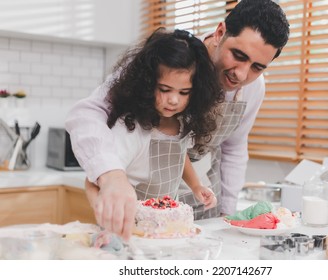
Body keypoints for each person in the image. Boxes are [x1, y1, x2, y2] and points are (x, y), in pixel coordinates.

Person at [65, 0, 290, 239]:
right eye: (238, 55)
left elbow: (233, 147)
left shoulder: (254, 89)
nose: (242, 74)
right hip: (144, 216)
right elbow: (87, 113)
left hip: (204, 208)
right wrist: (111, 176)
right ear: (220, 32)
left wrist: (228, 215)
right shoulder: (166, 60)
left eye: (257, 67)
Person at [68, 28, 222, 239]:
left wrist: (196, 185)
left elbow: (179, 154)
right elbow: (94, 179)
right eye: (165, 89)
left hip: (165, 231)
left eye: (183, 92)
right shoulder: (132, 129)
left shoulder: (182, 123)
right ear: (148, 85)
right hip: (130, 231)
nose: (174, 100)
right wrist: (105, 212)